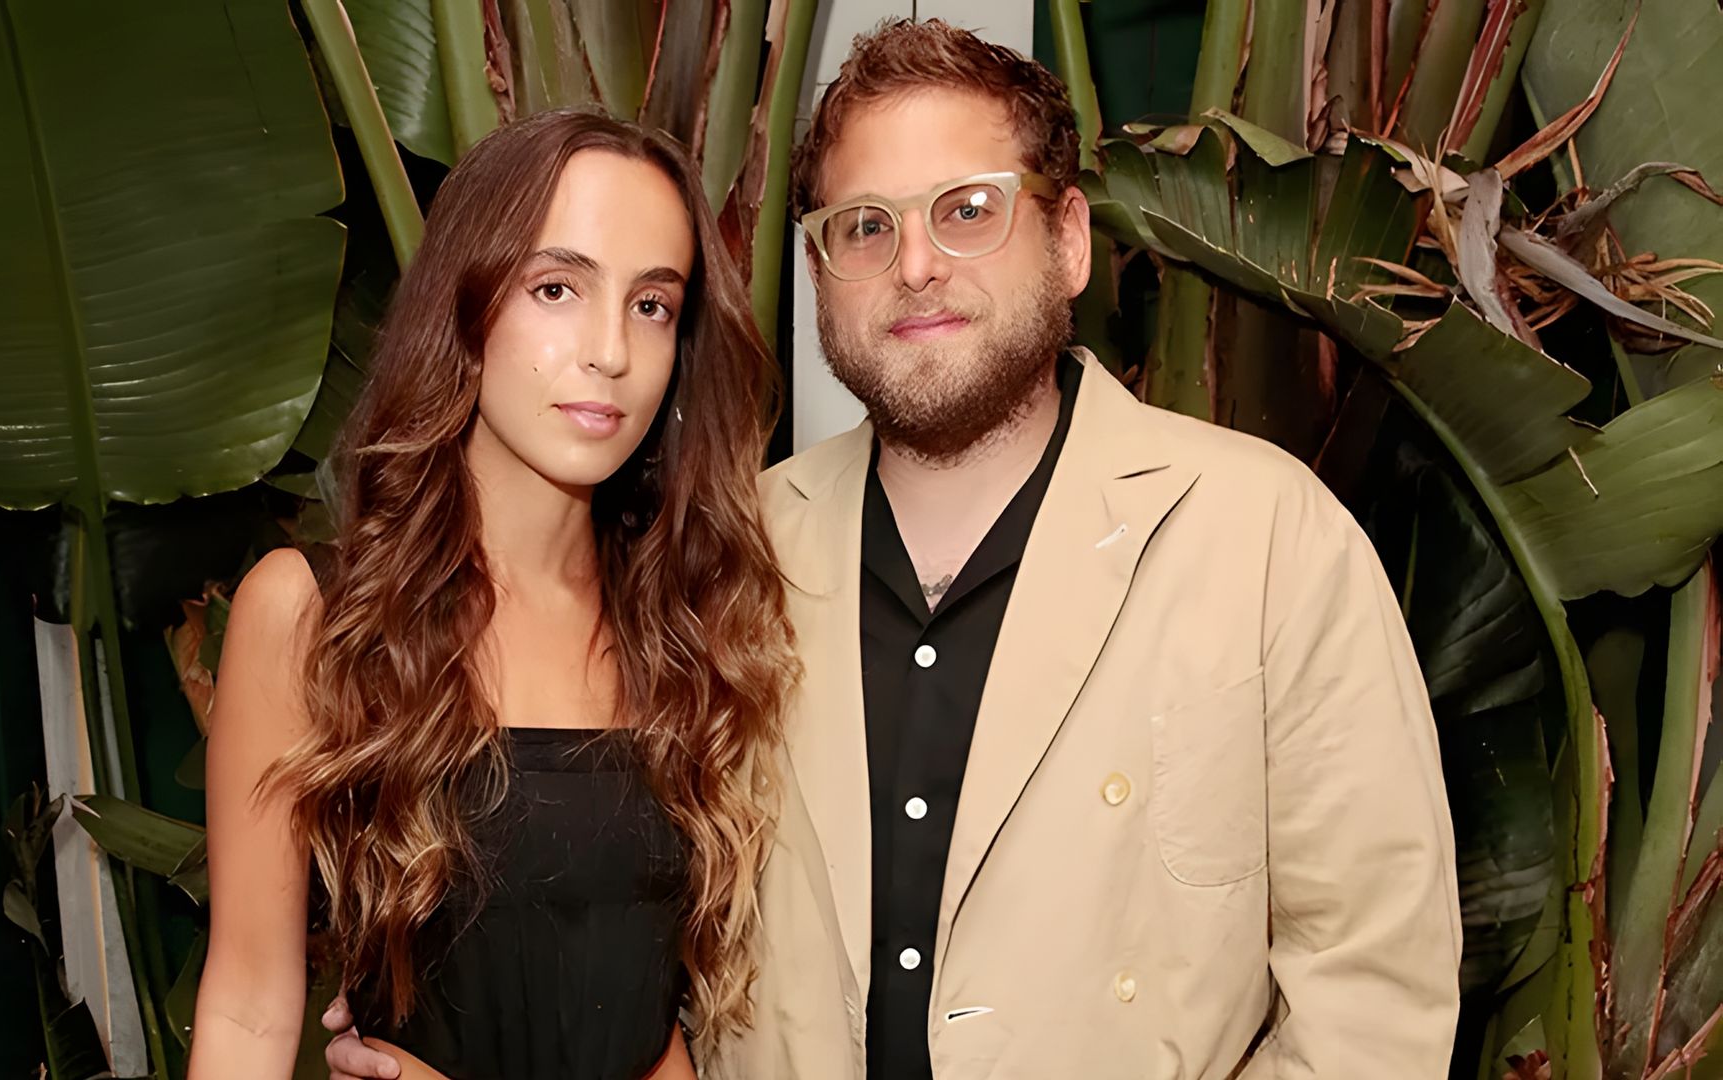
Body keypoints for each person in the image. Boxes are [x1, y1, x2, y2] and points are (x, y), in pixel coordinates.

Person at [330, 18, 1462, 1080]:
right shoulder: (719, 558)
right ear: (820, 272)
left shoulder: (1266, 538)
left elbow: (1372, 997)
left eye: (968, 209)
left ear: (1068, 239)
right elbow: (609, 925)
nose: (915, 265)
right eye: (865, 226)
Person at [192, 107, 797, 1080]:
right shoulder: (316, 617)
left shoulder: (687, 624)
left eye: (652, 305)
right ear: (465, 304)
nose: (610, 350)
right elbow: (251, 1009)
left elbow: (654, 1032)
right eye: (557, 287)